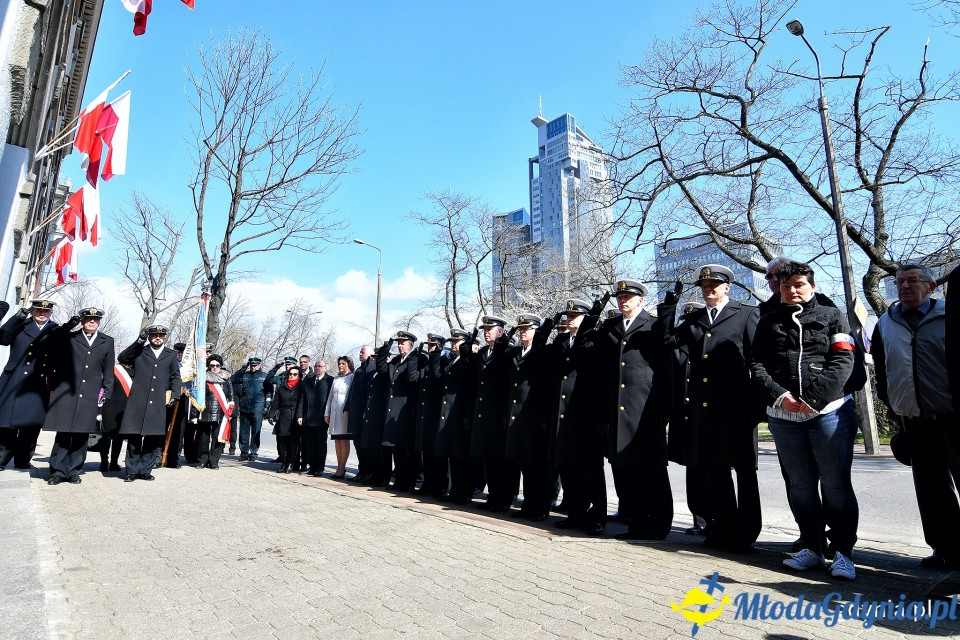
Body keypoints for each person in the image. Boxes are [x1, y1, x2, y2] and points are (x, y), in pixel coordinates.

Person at [751, 261, 858, 580]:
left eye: (798, 284)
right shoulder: (767, 322)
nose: (792, 291)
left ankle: (843, 553)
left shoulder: (831, 315)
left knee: (836, 484)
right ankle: (810, 548)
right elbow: (757, 365)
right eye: (785, 286)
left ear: (811, 286)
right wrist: (780, 396)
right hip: (783, 415)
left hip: (828, 413)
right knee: (800, 485)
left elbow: (844, 360)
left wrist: (811, 400)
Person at [659, 266, 761, 552]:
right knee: (715, 473)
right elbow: (667, 340)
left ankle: (748, 532)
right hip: (705, 411)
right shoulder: (695, 319)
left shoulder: (746, 313)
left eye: (714, 284)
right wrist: (670, 303)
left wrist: (756, 407)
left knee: (744, 473)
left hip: (737, 410)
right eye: (704, 285)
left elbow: (757, 361)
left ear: (727, 286)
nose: (709, 289)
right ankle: (723, 528)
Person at [874, 264, 959, 570]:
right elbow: (882, 369)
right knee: (932, 489)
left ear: (931, 286)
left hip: (952, 415)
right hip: (914, 418)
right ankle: (946, 549)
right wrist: (891, 403)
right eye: (899, 282)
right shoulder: (885, 322)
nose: (905, 286)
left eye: (912, 281)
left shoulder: (949, 315)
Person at [592, 281, 673, 540]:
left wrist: (663, 407)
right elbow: (604, 374)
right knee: (625, 470)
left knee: (652, 469)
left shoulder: (653, 325)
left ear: (640, 300)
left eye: (628, 296)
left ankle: (659, 525)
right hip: (618, 409)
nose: (623, 301)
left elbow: (667, 369)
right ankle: (636, 522)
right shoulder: (611, 327)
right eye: (620, 297)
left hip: (645, 409)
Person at [547, 299, 607, 535]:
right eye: (568, 316)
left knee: (591, 469)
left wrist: (592, 318)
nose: (570, 319)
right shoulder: (562, 341)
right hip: (564, 414)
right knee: (569, 467)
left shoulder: (593, 340)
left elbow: (600, 379)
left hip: (587, 415)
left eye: (576, 315)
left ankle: (598, 516)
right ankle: (576, 513)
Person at [43, 307, 116, 485]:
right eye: (89, 318)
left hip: (90, 392)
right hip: (68, 390)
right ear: (83, 321)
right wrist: (69, 326)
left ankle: (74, 470)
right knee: (64, 431)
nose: (92, 321)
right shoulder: (71, 337)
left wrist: (107, 390)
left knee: (81, 433)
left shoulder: (107, 341)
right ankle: (58, 471)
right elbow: (50, 342)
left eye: (96, 319)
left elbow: (108, 368)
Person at [504, 313, 554, 521]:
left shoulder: (543, 352)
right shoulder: (516, 353)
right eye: (521, 329)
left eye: (528, 328)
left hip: (535, 418)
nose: (523, 332)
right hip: (518, 418)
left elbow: (546, 386)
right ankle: (529, 504)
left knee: (538, 466)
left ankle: (540, 507)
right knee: (525, 464)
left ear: (537, 331)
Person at [117, 325, 183, 482]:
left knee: (152, 438)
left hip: (158, 402)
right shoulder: (141, 351)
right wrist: (139, 341)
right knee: (134, 437)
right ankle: (131, 471)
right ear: (150, 337)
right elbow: (123, 358)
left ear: (165, 337)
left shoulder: (171, 355)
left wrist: (175, 394)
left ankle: (145, 469)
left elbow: (175, 376)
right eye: (154, 335)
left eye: (161, 335)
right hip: (138, 401)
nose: (158, 337)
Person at [468, 315, 516, 510]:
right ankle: (493, 497)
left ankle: (504, 499)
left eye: (491, 328)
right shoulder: (482, 353)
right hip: (483, 414)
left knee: (501, 460)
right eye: (485, 329)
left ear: (501, 332)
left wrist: (505, 413)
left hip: (499, 415)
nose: (486, 332)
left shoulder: (508, 352)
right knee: (488, 458)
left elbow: (508, 385)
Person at [0, 299, 54, 470]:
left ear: (51, 313)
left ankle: (23, 460)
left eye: (46, 311)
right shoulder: (21, 325)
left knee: (31, 424)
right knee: (7, 422)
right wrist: (16, 318)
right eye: (38, 310)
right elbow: (3, 338)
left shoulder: (56, 330)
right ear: (32, 311)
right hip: (14, 379)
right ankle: (1, 458)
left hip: (38, 382)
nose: (42, 313)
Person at [380, 331, 427, 492]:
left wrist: (413, 358)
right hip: (394, 410)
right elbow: (381, 368)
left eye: (403, 343)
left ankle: (409, 481)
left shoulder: (417, 359)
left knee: (408, 449)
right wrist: (386, 348)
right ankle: (400, 480)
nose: (400, 345)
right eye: (398, 343)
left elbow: (412, 379)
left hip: (407, 411)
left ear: (411, 345)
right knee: (397, 448)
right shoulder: (396, 360)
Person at [434, 329, 476, 504]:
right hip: (448, 414)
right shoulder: (451, 361)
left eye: (457, 341)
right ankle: (455, 490)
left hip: (460, 414)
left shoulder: (468, 361)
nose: (453, 343)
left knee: (461, 456)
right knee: (452, 455)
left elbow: (470, 388)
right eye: (452, 341)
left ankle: (463, 492)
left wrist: (467, 413)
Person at [415, 333, 447, 497]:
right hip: (425, 414)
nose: (430, 348)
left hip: (436, 414)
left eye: (433, 345)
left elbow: (437, 380)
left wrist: (435, 356)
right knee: (426, 451)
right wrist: (417, 356)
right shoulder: (425, 364)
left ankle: (440, 484)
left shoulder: (442, 362)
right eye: (428, 345)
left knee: (437, 454)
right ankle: (429, 482)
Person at [230, 357, 278, 462]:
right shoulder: (245, 375)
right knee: (244, 432)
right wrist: (242, 369)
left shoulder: (264, 376)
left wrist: (267, 405)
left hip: (258, 407)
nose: (253, 367)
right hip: (245, 407)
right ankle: (244, 453)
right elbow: (232, 380)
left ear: (259, 365)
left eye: (255, 365)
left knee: (256, 431)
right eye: (251, 365)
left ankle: (253, 452)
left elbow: (269, 392)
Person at [195, 354, 234, 469]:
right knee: (203, 438)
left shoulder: (226, 378)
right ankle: (202, 460)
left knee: (218, 438)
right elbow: (197, 395)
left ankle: (214, 461)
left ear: (221, 366)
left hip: (221, 413)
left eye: (217, 365)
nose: (215, 367)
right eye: (212, 365)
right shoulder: (202, 378)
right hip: (205, 411)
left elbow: (230, 396)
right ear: (208, 366)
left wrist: (231, 408)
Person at [345, 345, 374, 482]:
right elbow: (352, 390)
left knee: (365, 444)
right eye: (360, 352)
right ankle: (361, 470)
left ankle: (368, 472)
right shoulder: (360, 369)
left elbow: (370, 393)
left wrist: (366, 410)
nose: (360, 354)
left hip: (364, 413)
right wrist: (347, 407)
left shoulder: (372, 369)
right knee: (357, 443)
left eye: (363, 352)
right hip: (355, 412)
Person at [302, 360, 333, 475]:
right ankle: (312, 466)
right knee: (310, 444)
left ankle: (320, 467)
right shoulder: (308, 380)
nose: (317, 368)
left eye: (320, 366)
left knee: (320, 444)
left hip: (321, 418)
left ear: (325, 368)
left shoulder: (330, 380)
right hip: (308, 418)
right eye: (315, 366)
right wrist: (301, 415)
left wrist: (328, 414)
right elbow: (302, 399)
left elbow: (331, 400)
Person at [100, 362, 133, 472]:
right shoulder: (115, 370)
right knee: (107, 436)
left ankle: (114, 462)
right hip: (109, 407)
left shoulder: (135, 372)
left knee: (118, 438)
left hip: (124, 409)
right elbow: (103, 388)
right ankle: (104, 462)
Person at [325, 356, 355, 478]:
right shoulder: (336, 379)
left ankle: (342, 468)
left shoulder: (352, 377)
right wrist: (326, 413)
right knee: (337, 440)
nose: (340, 366)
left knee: (344, 439)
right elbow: (330, 397)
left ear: (349, 364)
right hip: (334, 412)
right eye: (339, 364)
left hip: (344, 414)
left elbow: (352, 395)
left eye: (343, 363)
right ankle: (339, 466)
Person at [270, 364, 304, 473]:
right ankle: (283, 463)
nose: (292, 376)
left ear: (298, 376)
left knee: (293, 442)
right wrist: (271, 414)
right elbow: (276, 402)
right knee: (283, 442)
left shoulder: (301, 387)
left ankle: (290, 464)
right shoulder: (282, 387)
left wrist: (299, 416)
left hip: (295, 416)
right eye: (290, 374)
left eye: (294, 374)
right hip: (283, 416)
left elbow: (301, 403)